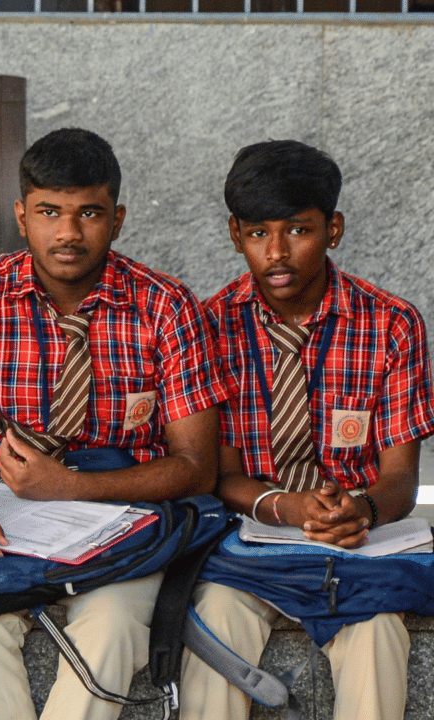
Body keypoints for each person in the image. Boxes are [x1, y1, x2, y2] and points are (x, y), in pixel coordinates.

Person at [0, 127, 225, 720]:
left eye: (89, 213)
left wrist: (72, 486)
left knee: (111, 629)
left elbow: (196, 468)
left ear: (117, 219)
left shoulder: (165, 306)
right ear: (21, 216)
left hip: (126, 518)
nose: (68, 232)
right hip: (11, 514)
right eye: (49, 212)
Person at [179, 140, 434, 720]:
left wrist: (362, 510)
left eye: (298, 230)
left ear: (333, 229)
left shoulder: (390, 324)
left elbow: (400, 478)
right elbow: (219, 475)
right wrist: (285, 507)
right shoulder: (211, 326)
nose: (277, 253)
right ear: (234, 234)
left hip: (358, 542)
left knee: (378, 633)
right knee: (215, 623)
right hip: (249, 541)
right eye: (257, 233)